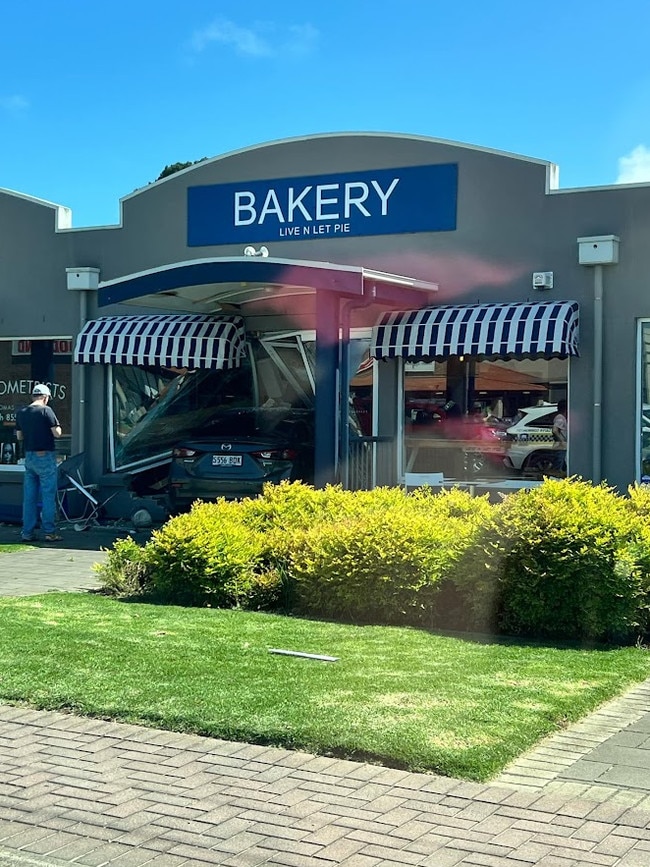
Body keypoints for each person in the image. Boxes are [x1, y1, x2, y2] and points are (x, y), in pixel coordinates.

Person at [15, 384, 63, 542]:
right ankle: (49, 532)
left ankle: (27, 532)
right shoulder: (46, 410)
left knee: (29, 497)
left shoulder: (22, 412)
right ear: (45, 397)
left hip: (29, 457)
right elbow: (56, 433)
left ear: (33, 396)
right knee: (48, 495)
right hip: (45, 456)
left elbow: (19, 436)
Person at [551, 398, 568, 475]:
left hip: (561, 445)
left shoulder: (561, 417)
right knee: (558, 464)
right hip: (561, 446)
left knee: (562, 463)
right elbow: (555, 430)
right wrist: (562, 441)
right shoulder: (560, 418)